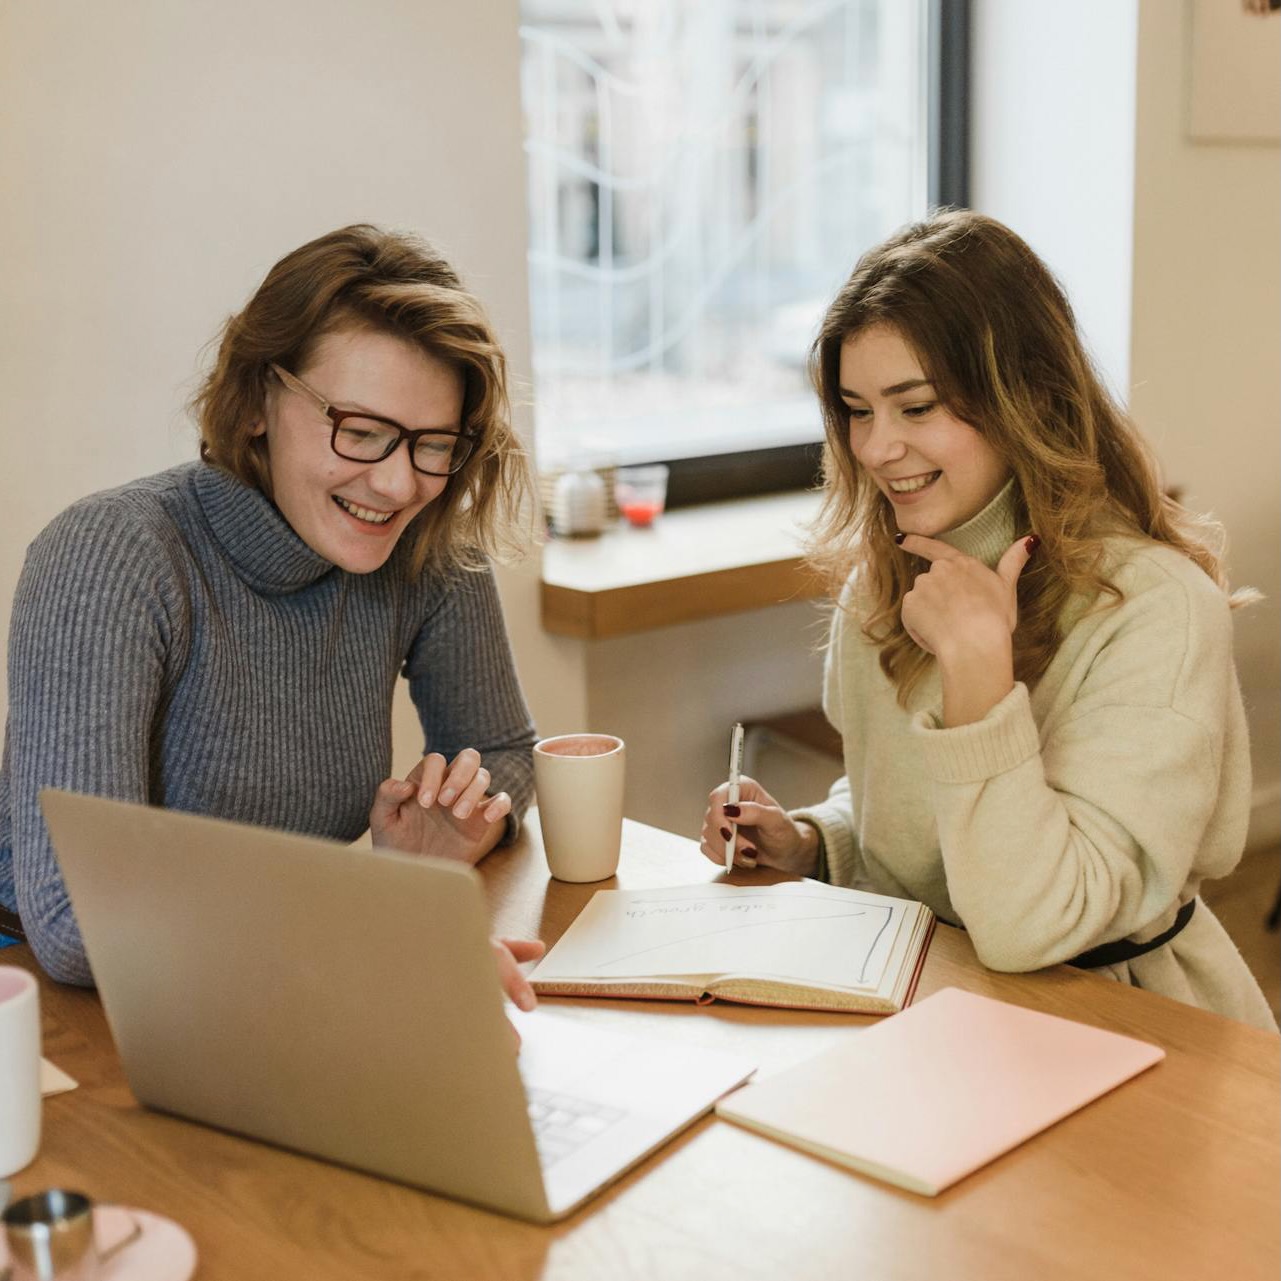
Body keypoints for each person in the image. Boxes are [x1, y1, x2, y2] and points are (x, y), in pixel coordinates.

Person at [699, 209, 1276, 1032]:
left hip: (1118, 1019)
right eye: (857, 410)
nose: (874, 448)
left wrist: (979, 671)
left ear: (1025, 397)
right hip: (929, 992)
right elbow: (912, 823)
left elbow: (1032, 924)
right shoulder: (887, 581)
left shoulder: (1153, 608)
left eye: (915, 405)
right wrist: (815, 842)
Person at [1, 224, 544, 1004]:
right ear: (258, 399)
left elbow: (499, 747)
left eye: (433, 443)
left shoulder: (422, 543)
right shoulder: (114, 553)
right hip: (50, 991)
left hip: (259, 976)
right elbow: (74, 917)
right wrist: (369, 919)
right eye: (359, 431)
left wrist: (454, 829)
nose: (397, 484)